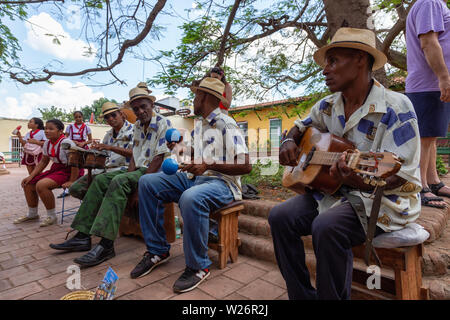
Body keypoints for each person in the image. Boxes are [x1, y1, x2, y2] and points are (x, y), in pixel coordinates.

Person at [268, 27, 422, 300]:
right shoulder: (326, 106)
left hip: (383, 202)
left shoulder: (397, 107)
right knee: (279, 217)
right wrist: (288, 143)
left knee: (327, 227)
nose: (325, 69)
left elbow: (403, 176)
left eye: (334, 61)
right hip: (333, 193)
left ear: (361, 59)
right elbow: (298, 127)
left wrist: (358, 179)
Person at [130, 77, 251, 293]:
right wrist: (177, 148)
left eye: (195, 96)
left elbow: (246, 165)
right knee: (147, 182)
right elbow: (194, 157)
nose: (193, 100)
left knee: (191, 197)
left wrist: (207, 164)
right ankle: (158, 250)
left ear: (204, 97)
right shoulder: (201, 126)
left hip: (222, 184)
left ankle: (198, 267)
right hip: (197, 179)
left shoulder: (226, 123)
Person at [49, 85, 171, 268]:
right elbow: (135, 155)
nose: (140, 111)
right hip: (135, 168)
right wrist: (131, 176)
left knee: (118, 181)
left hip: (154, 172)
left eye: (143, 106)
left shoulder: (163, 123)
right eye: (136, 108)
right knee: (98, 181)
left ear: (151, 104)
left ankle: (106, 245)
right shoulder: (138, 125)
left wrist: (139, 186)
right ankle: (83, 235)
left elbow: (159, 158)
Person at [405, 0, 450, 208]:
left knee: (430, 135)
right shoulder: (429, 2)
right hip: (428, 81)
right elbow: (429, 42)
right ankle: (420, 186)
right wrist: (443, 77)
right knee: (424, 136)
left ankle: (433, 181)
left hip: (430, 82)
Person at [14, 119, 83, 227]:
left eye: (51, 129)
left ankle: (52, 216)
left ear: (60, 131)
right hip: (57, 169)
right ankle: (32, 214)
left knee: (41, 185)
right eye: (46, 128)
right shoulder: (47, 143)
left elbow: (75, 164)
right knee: (28, 183)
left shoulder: (66, 143)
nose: (46, 131)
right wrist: (30, 176)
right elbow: (43, 162)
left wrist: (72, 181)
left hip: (71, 171)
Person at [68, 101, 134, 200]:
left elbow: (135, 154)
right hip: (104, 171)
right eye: (107, 117)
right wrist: (95, 151)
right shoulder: (108, 134)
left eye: (113, 115)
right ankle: (95, 207)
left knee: (98, 182)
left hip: (123, 170)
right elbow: (104, 154)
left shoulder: (134, 130)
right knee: (75, 189)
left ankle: (95, 210)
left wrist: (110, 147)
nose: (110, 118)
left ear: (121, 114)